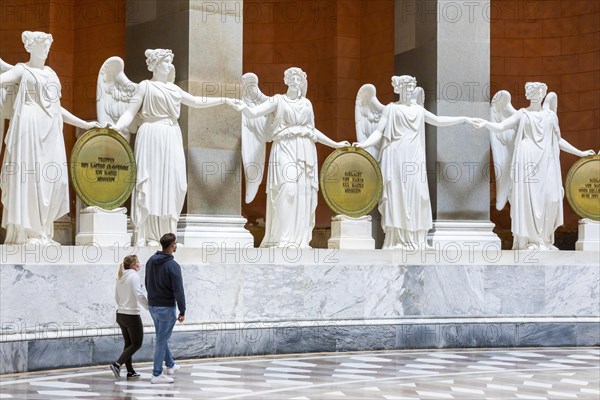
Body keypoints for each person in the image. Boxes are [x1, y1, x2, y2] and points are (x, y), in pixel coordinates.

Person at [112, 49, 237, 246]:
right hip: (152, 133)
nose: (169, 65)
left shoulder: (174, 89)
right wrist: (117, 127)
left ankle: (168, 235)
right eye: (165, 61)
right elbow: (129, 113)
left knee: (175, 183)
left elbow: (196, 101)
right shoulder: (145, 87)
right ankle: (152, 236)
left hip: (171, 135)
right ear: (154, 65)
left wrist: (223, 99)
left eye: (171, 62)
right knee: (152, 182)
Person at [354, 75, 479, 249]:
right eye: (407, 87)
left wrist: (462, 119)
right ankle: (397, 239)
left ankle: (417, 239)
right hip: (396, 155)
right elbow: (379, 133)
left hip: (414, 156)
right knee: (398, 195)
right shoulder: (391, 109)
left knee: (418, 195)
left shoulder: (419, 110)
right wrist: (363, 144)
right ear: (400, 89)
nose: (410, 91)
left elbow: (437, 120)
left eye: (412, 87)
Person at [0, 31, 100, 244]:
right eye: (42, 45)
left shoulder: (52, 74)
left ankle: (43, 230)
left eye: (48, 45)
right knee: (30, 177)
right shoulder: (22, 70)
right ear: (31, 47)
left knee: (51, 180)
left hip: (51, 130)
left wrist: (84, 123)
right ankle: (28, 233)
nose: (46, 49)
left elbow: (57, 107)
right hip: (29, 128)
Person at [236, 67, 350, 248]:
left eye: (299, 78)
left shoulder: (307, 104)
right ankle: (282, 237)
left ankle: (298, 240)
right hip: (284, 147)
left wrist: (335, 144)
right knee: (287, 189)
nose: (296, 81)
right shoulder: (277, 100)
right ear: (286, 80)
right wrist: (243, 107)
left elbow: (311, 131)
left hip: (305, 150)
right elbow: (255, 112)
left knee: (302, 192)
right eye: (292, 77)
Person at [476, 82, 595, 250]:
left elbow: (558, 140)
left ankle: (545, 239)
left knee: (552, 197)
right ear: (527, 95)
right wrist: (485, 123)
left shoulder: (550, 116)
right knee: (530, 200)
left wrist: (580, 153)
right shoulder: (521, 114)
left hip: (547, 161)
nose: (535, 95)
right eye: (531, 92)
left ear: (543, 94)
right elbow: (501, 126)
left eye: (538, 92)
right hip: (526, 160)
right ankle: (533, 241)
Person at [145, 233, 186, 384]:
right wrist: (182, 310)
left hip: (153, 306)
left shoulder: (150, 261)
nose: (176, 246)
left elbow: (147, 282)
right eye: (175, 243)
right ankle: (156, 374)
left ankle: (170, 365)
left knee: (162, 337)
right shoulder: (173, 265)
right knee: (161, 340)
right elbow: (179, 290)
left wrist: (152, 300)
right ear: (172, 245)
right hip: (166, 308)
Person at [110, 255, 148, 380]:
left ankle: (130, 371)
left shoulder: (120, 277)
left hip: (120, 314)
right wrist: (149, 307)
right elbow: (139, 294)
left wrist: (123, 306)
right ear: (133, 265)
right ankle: (117, 364)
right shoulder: (134, 276)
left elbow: (117, 297)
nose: (140, 264)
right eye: (138, 262)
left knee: (129, 343)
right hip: (131, 315)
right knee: (137, 343)